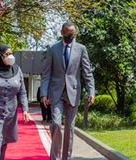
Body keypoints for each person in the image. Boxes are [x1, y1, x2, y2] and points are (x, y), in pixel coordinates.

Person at [40, 22, 95, 160]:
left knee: (70, 129)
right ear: (62, 33)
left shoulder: (81, 49)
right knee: (56, 124)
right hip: (56, 92)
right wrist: (44, 93)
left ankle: (66, 158)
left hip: (73, 92)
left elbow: (87, 72)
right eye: (69, 33)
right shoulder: (53, 49)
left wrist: (91, 91)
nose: (71, 36)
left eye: (73, 33)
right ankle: (55, 157)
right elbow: (46, 73)